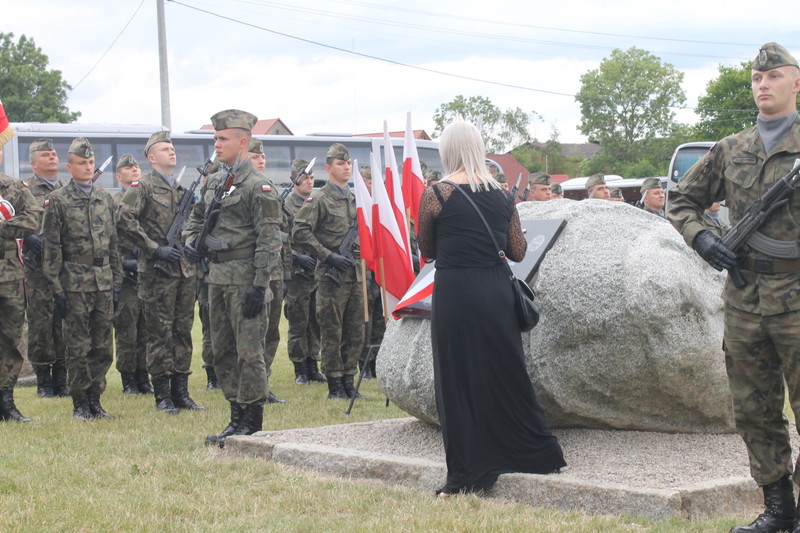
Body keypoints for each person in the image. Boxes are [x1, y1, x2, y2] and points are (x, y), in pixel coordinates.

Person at [667, 42, 800, 533]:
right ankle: (780, 512)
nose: (763, 85)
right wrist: (703, 239)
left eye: (774, 77)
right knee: (754, 408)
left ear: (796, 83)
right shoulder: (731, 148)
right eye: (756, 79)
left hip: (798, 294)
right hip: (745, 298)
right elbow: (680, 200)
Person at [417, 120, 566, 496]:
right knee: (506, 372)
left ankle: (467, 471)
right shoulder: (503, 195)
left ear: (448, 149)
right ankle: (534, 453)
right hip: (496, 290)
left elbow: (428, 250)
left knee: (458, 379)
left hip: (456, 292)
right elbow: (517, 251)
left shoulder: (437, 193)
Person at [184, 109, 282, 445]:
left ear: (243, 142)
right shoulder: (213, 182)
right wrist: (190, 243)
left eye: (222, 138)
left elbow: (270, 239)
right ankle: (235, 415)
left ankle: (252, 419)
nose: (217, 144)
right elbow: (194, 219)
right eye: (215, 138)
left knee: (249, 351)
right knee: (223, 350)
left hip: (246, 282)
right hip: (217, 278)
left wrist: (260, 284)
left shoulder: (259, 187)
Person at [118, 131, 203, 414]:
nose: (172, 152)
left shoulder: (180, 191)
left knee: (182, 332)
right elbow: (124, 219)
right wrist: (154, 248)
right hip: (156, 272)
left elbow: (193, 224)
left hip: (182, 271)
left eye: (172, 147)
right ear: (152, 158)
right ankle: (163, 395)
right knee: (159, 333)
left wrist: (191, 244)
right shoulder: (141, 187)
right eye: (165, 149)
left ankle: (182, 392)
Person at [41, 137, 122, 420]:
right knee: (78, 345)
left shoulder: (104, 198)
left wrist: (117, 281)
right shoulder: (59, 200)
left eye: (90, 163)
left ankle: (95, 399)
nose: (87, 167)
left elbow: (113, 244)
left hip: (103, 280)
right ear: (69, 166)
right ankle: (80, 402)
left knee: (102, 346)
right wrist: (56, 288)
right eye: (81, 163)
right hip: (74, 282)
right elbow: (51, 247)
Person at [292, 143, 365, 400]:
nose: (346, 167)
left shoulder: (355, 199)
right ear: (329, 167)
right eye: (340, 163)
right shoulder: (319, 198)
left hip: (354, 275)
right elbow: (299, 230)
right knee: (332, 331)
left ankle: (348, 380)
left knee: (355, 330)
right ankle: (334, 384)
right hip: (330, 277)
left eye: (347, 163)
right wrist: (327, 255)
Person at [0, 141, 42, 422]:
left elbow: (34, 218)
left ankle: (6, 401)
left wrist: (3, 226)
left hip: (10, 278)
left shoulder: (15, 187)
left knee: (11, 340)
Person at [23, 138, 68, 398]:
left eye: (53, 153)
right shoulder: (25, 189)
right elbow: (19, 219)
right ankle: (43, 380)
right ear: (33, 162)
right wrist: (33, 240)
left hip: (63, 269)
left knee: (63, 323)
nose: (52, 157)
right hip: (38, 270)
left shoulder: (65, 189)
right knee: (41, 325)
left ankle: (62, 379)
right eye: (45, 154)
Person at [247, 137, 286, 404]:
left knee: (272, 331)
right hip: (254, 271)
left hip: (275, 272)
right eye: (255, 156)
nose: (260, 160)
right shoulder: (242, 188)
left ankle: (264, 380)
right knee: (255, 333)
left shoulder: (268, 187)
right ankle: (253, 385)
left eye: (262, 157)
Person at [112, 154, 152, 395]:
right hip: (125, 274)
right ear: (119, 176)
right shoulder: (114, 201)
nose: (134, 169)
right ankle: (129, 379)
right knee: (127, 329)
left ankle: (143, 376)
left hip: (146, 271)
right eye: (128, 167)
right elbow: (108, 236)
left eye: (136, 165)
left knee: (146, 328)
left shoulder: (146, 200)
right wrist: (122, 263)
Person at [283, 158, 325, 385]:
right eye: (304, 177)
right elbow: (281, 238)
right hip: (297, 273)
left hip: (316, 271)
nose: (309, 181)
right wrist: (297, 258)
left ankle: (313, 364)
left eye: (311, 177)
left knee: (315, 322)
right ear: (294, 180)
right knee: (298, 322)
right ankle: (300, 368)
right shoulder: (287, 206)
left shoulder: (316, 202)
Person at [357, 165, 385, 380]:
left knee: (379, 322)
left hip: (380, 274)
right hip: (363, 275)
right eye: (370, 182)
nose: (374, 186)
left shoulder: (381, 208)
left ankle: (376, 361)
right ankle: (363, 362)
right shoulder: (359, 207)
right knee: (364, 323)